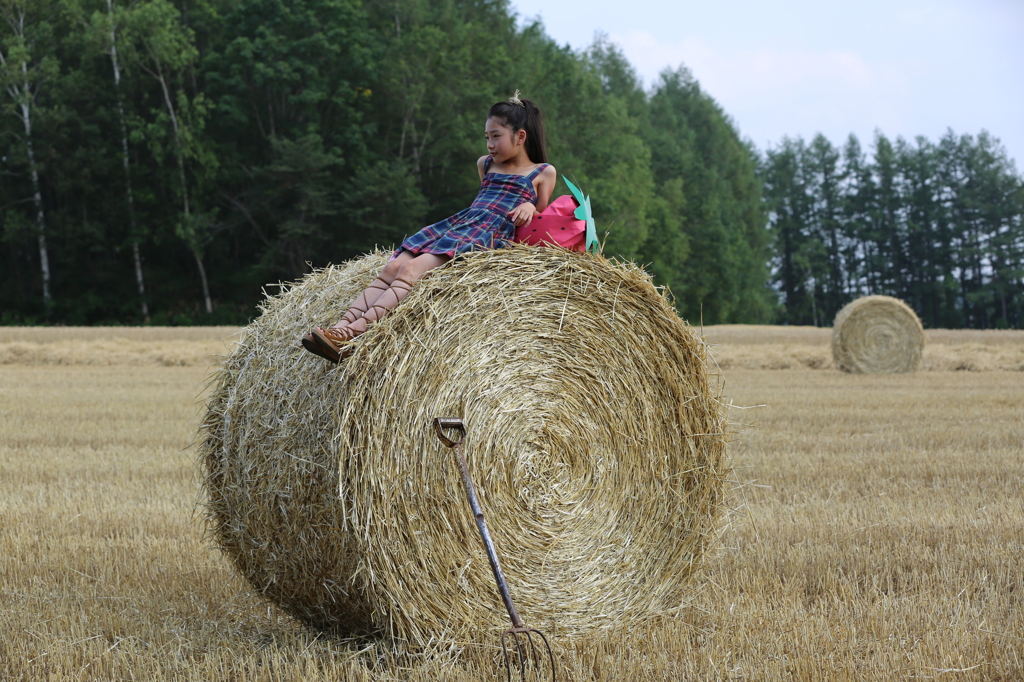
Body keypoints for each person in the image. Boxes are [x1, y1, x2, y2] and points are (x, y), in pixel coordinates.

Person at [302, 91, 556, 362]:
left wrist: (531, 207)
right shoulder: (486, 164)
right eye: (487, 137)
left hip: (486, 235)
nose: (490, 144)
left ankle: (356, 334)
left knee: (411, 269)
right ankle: (339, 330)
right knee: (391, 267)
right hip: (462, 225)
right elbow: (480, 201)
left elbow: (541, 219)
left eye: (496, 136)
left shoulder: (542, 172)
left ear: (520, 137)